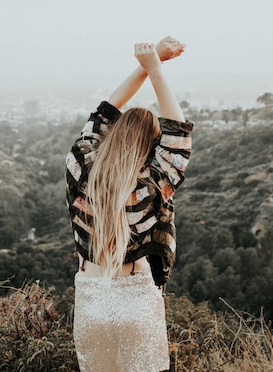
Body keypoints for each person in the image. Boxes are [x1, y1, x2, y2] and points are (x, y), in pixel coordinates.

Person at [65, 37, 194, 372]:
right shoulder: (152, 183)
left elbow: (103, 111)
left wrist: (147, 64)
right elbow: (178, 137)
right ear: (152, 148)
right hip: (136, 298)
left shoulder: (81, 166)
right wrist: (155, 69)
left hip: (91, 299)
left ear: (113, 132)